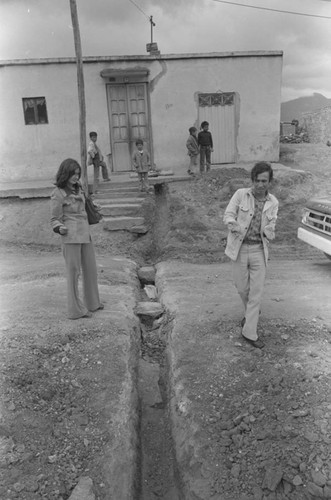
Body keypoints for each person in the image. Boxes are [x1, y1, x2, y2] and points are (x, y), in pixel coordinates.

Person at [223, 161, 279, 349]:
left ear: (269, 181)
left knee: (256, 293)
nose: (260, 184)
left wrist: (270, 230)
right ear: (252, 180)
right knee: (242, 289)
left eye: (264, 180)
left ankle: (250, 333)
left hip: (258, 250)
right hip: (239, 248)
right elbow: (228, 215)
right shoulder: (240, 195)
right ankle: (250, 314)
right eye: (257, 180)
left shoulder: (273, 202)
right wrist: (233, 224)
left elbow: (272, 224)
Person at [50, 158, 104, 320]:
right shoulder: (57, 194)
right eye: (73, 174)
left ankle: (92, 303)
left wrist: (95, 208)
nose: (76, 177)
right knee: (73, 273)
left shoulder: (79, 188)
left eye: (78, 174)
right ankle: (75, 310)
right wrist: (60, 228)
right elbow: (54, 219)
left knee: (91, 269)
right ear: (65, 174)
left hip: (85, 234)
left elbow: (86, 208)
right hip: (70, 236)